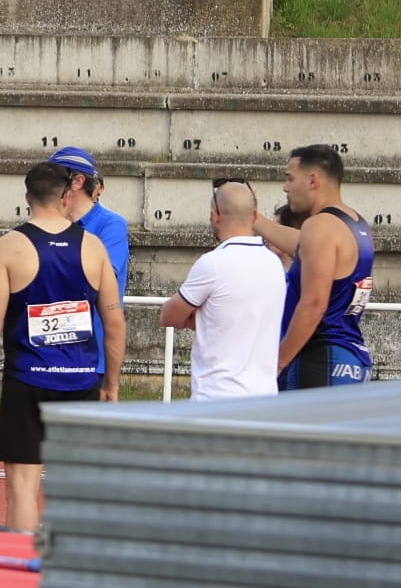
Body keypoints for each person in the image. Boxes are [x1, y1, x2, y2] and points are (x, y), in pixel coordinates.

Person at [0, 161, 124, 532]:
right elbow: (115, 323)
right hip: (81, 379)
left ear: (26, 197)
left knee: (21, 488)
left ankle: (23, 573)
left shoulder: (9, 247)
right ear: (68, 197)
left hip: (28, 379)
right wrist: (111, 384)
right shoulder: (94, 247)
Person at [255, 144, 374, 389]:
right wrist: (254, 218)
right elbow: (301, 246)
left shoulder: (318, 227)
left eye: (290, 179)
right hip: (349, 357)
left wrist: (276, 365)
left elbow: (313, 305)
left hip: (320, 359)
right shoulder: (354, 224)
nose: (285, 187)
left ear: (312, 180)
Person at [159, 179, 285, 400]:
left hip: (216, 397)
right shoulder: (274, 263)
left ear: (214, 215)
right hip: (264, 397)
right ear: (255, 216)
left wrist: (203, 318)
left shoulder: (213, 263)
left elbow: (169, 316)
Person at [50, 147, 130, 296]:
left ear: (77, 182)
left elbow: (101, 278)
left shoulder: (112, 224)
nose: (47, 184)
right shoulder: (50, 222)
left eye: (53, 177)